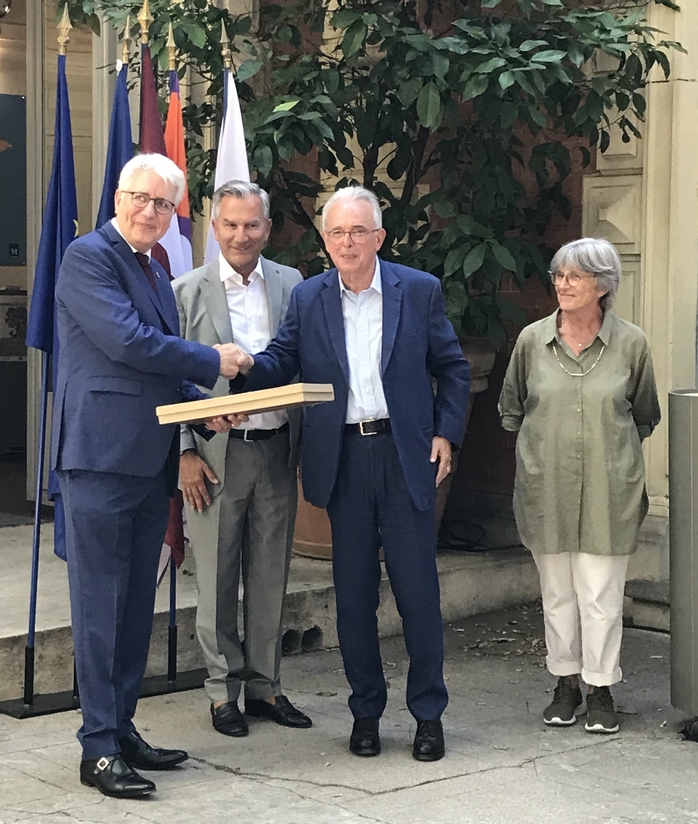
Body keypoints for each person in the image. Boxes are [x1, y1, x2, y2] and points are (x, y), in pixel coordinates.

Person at [234, 185, 471, 761]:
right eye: (337, 232)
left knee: (418, 596)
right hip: (342, 459)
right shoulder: (311, 298)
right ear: (325, 239)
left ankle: (428, 716)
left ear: (378, 238)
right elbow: (278, 361)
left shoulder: (417, 290)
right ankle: (366, 713)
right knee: (353, 599)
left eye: (358, 232)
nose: (347, 242)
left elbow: (454, 368)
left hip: (404, 457)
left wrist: (446, 433)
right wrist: (238, 376)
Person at [51, 153, 246, 799]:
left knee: (136, 608)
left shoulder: (157, 266)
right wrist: (213, 360)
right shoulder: (89, 257)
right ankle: (98, 749)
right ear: (118, 196)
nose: (151, 213)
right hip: (102, 461)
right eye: (141, 198)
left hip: (149, 459)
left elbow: (159, 371)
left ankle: (122, 727)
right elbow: (128, 342)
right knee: (101, 610)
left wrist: (208, 405)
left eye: (164, 205)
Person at [498, 237, 660, 735]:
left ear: (603, 286)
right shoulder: (531, 340)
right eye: (559, 276)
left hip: (610, 491)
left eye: (575, 276)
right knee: (558, 594)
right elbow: (512, 410)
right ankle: (565, 684)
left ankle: (601, 687)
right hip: (546, 489)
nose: (562, 285)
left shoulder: (631, 343)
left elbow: (645, 415)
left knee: (601, 595)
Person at [173, 180, 311, 737]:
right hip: (213, 457)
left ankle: (265, 687)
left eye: (252, 224)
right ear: (214, 226)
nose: (240, 235)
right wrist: (183, 450)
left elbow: (302, 359)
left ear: (268, 229)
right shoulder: (186, 291)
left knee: (269, 574)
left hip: (276, 449)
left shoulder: (292, 284)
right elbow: (172, 376)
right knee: (217, 575)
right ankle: (220, 692)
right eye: (229, 224)